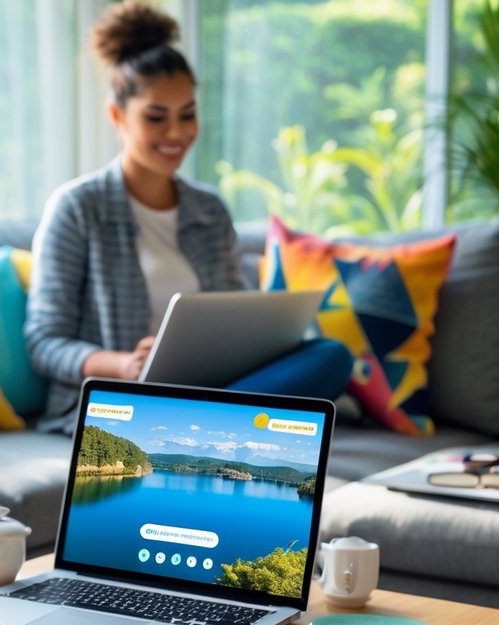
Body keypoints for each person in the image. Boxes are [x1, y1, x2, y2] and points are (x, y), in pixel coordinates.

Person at [25, 1, 352, 434]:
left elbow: (237, 321)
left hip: (210, 388)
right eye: (156, 118)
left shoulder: (210, 211)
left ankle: (196, 427)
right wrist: (123, 364)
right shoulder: (78, 208)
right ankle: (212, 429)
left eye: (188, 115)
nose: (176, 134)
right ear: (117, 116)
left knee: (330, 356)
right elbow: (44, 342)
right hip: (118, 401)